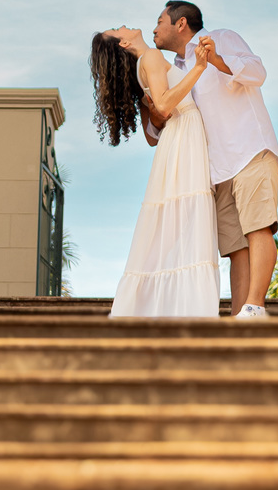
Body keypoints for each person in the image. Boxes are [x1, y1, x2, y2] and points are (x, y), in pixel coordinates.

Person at [128, 1, 278, 320]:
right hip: (215, 170)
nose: (154, 28)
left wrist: (216, 60)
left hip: (250, 150)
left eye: (159, 21)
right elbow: (155, 133)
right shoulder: (175, 70)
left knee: (258, 229)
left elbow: (257, 72)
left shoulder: (222, 38)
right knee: (235, 250)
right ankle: (242, 316)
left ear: (181, 23)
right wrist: (152, 109)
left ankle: (256, 306)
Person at [90, 26, 221, 318]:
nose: (124, 25)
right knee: (188, 221)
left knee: (177, 224)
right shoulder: (149, 56)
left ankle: (167, 308)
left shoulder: (145, 64)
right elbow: (163, 104)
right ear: (124, 42)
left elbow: (152, 133)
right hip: (184, 135)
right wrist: (200, 67)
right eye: (117, 29)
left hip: (176, 140)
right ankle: (190, 311)